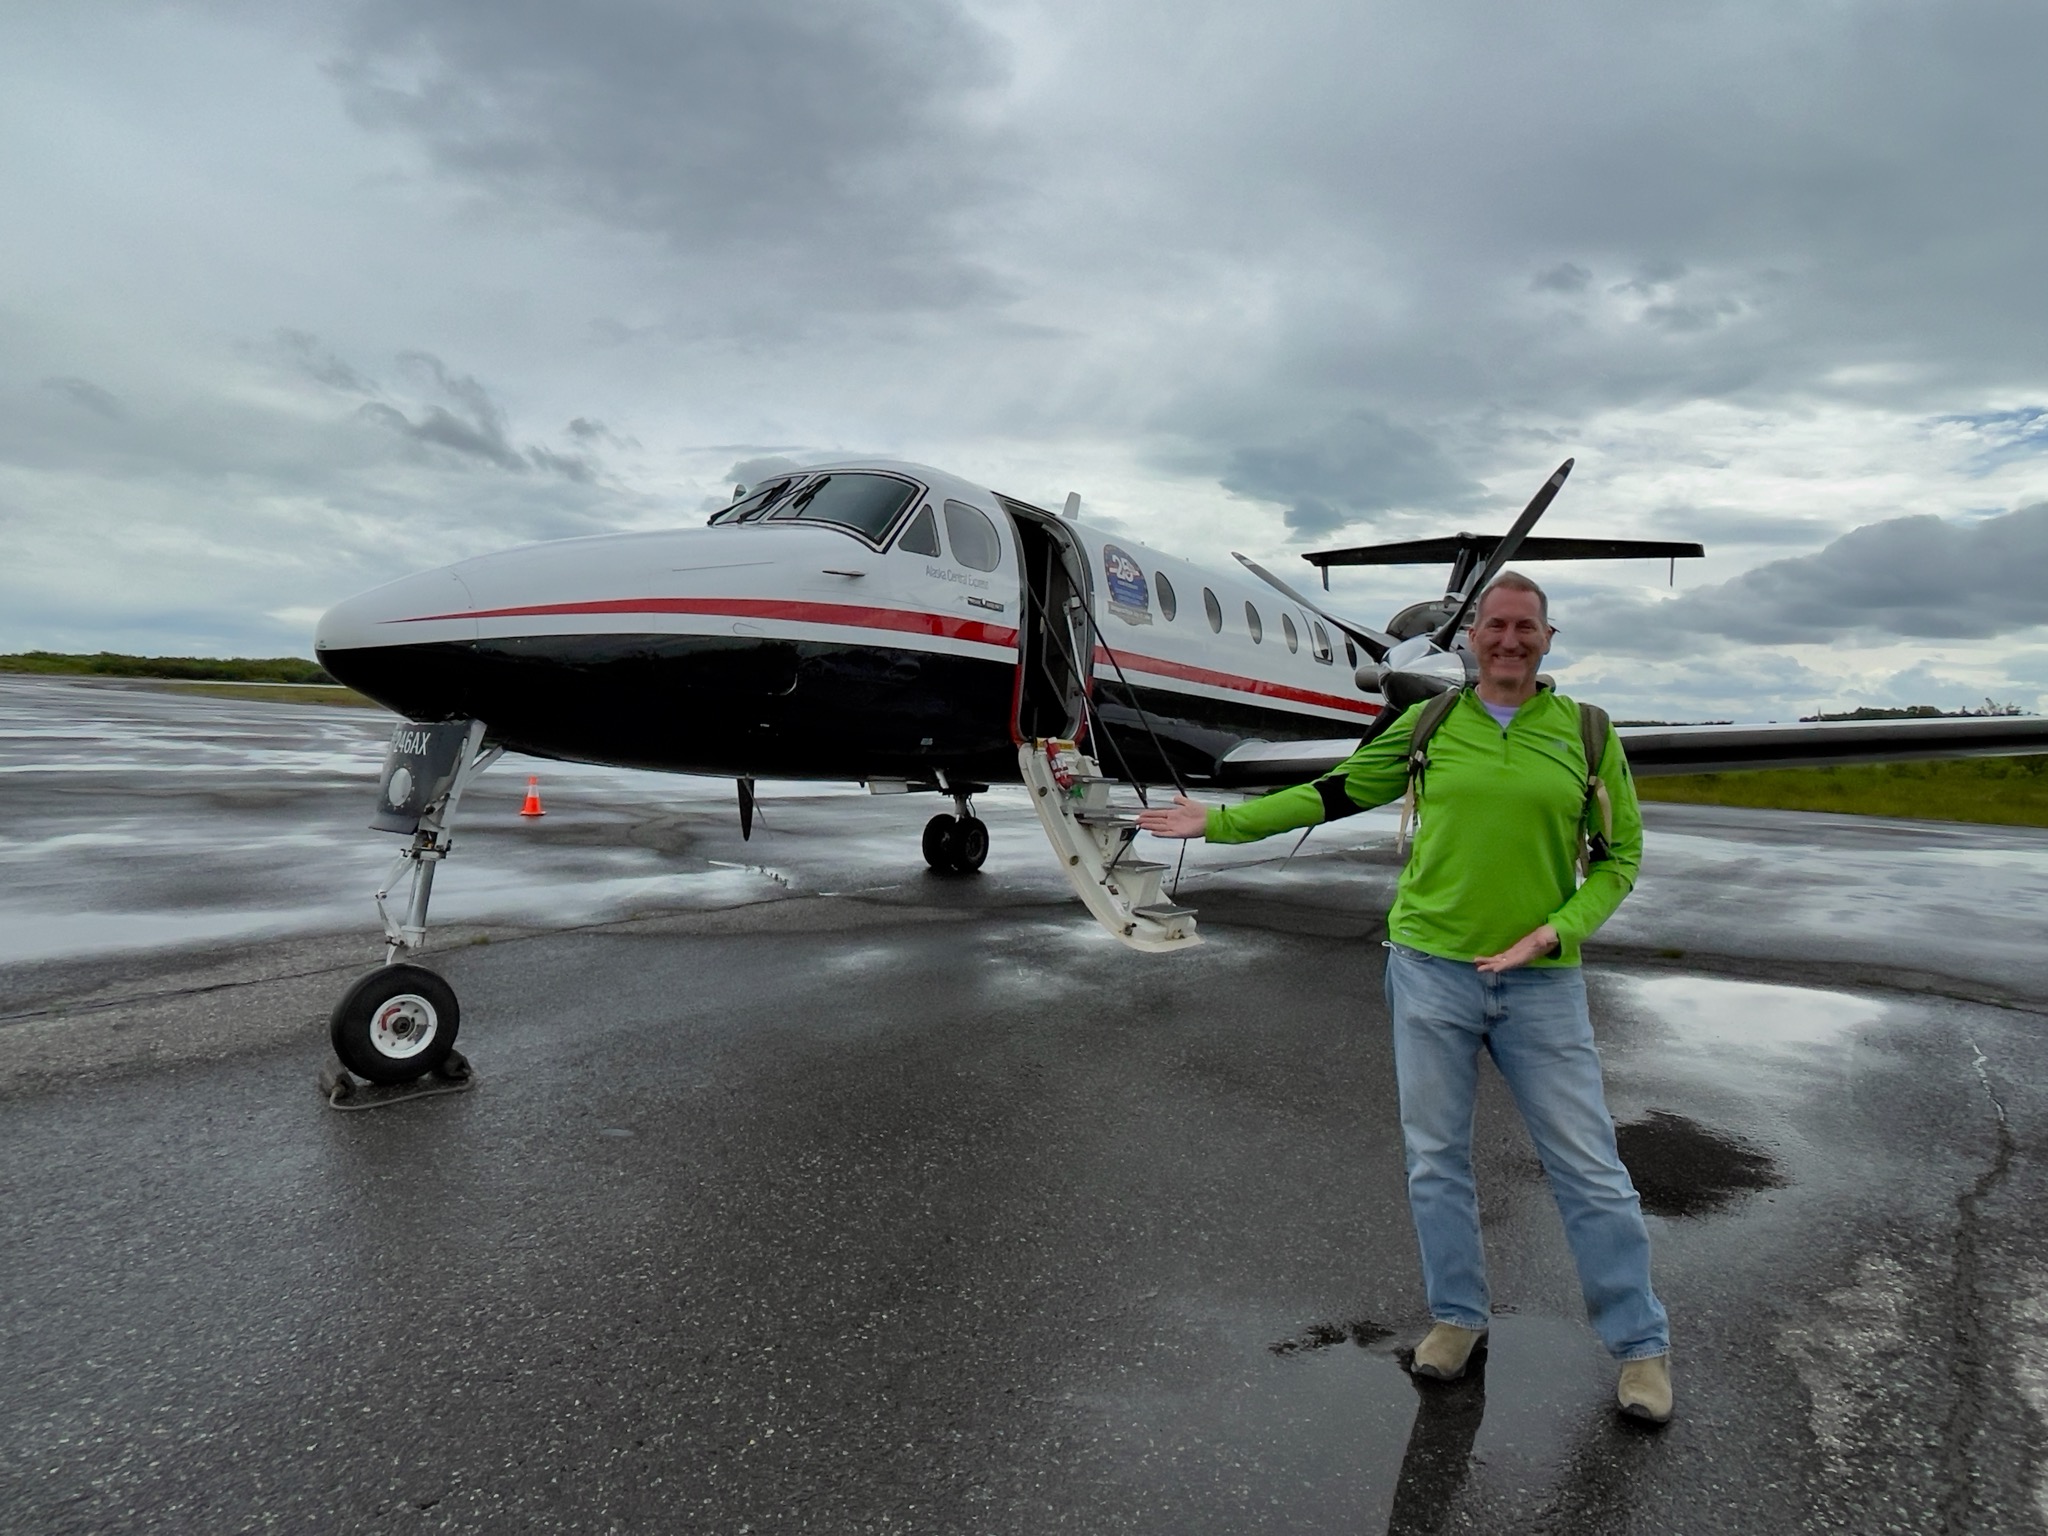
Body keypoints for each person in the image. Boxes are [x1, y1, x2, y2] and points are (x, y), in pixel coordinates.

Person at [1135, 572, 1672, 1423]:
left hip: (1540, 983)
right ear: (1472, 640)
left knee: (1591, 1169)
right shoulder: (1431, 726)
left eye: (1523, 627)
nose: (1506, 639)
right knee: (1435, 1161)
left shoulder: (1588, 734)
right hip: (1428, 971)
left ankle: (1642, 1348)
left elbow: (1620, 860)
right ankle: (1458, 1318)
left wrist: (1556, 931)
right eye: (1493, 625)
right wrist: (1221, 825)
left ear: (1546, 637)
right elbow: (1335, 790)